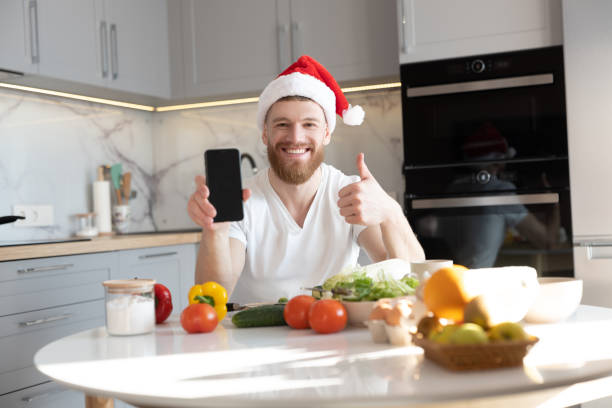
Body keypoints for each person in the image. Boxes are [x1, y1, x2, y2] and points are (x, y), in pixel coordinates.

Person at [187, 55, 424, 302]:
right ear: (265, 134)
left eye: (309, 124)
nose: (295, 137)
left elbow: (413, 279)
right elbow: (213, 295)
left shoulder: (349, 192)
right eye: (282, 124)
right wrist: (215, 232)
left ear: (326, 133)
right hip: (258, 339)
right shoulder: (242, 199)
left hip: (335, 331)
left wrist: (391, 213)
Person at [437, 123, 560, 268]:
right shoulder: (499, 191)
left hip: (448, 278)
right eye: (501, 162)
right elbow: (547, 242)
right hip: (478, 282)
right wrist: (554, 200)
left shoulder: (452, 189)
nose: (504, 166)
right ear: (495, 163)